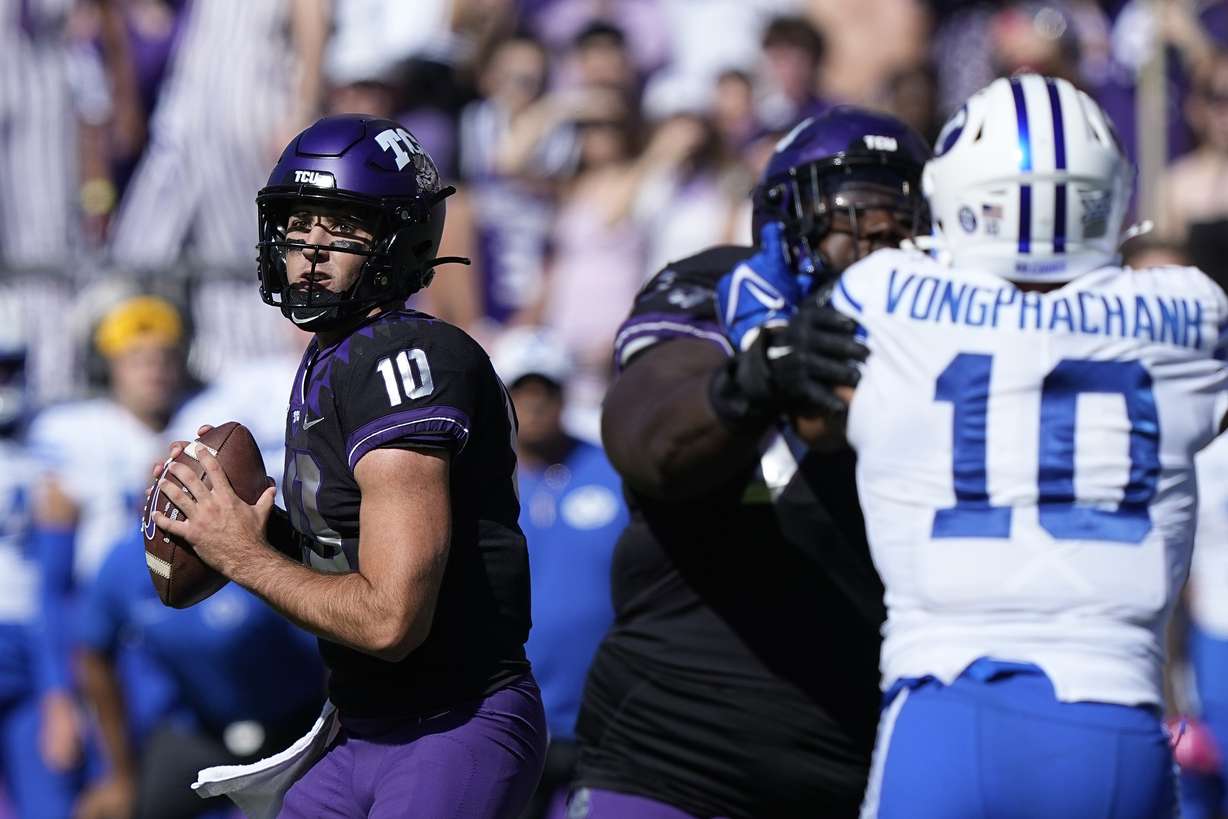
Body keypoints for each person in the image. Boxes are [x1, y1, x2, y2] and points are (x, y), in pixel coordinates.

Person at [782, 74, 1227, 818]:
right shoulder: (1190, 313)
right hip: (1114, 713)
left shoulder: (885, 294)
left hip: (944, 702)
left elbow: (811, 424)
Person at [149, 115, 545, 817]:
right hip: (358, 725)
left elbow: (390, 618)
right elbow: (345, 562)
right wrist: (246, 519)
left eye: (343, 231)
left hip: (450, 726)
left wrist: (239, 551)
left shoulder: (404, 361)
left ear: (400, 240)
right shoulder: (333, 355)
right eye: (300, 225)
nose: (310, 252)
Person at [566, 107, 930, 818]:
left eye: (903, 223)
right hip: (672, 750)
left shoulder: (946, 339)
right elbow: (647, 440)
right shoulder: (718, 289)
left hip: (859, 769)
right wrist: (755, 380)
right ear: (788, 223)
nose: (883, 245)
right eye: (858, 218)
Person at [27, 292, 189, 788]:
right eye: (136, 358)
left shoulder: (202, 421)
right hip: (105, 639)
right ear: (108, 366)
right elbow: (52, 581)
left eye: (163, 357)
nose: (153, 370)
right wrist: (57, 688)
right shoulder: (72, 433)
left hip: (175, 636)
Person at [75, 527, 324, 819]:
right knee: (114, 809)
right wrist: (120, 774)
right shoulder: (125, 563)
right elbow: (93, 654)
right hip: (203, 729)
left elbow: (327, 640)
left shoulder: (267, 540)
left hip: (298, 728)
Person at [490, 328, 626, 819]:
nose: (535, 403)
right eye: (521, 391)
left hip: (604, 723)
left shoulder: (615, 470)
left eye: (545, 390)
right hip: (505, 721)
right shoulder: (473, 485)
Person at [0, 329, 80, 817]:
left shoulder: (48, 455)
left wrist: (59, 693)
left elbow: (56, 587)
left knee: (48, 805)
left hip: (28, 645)